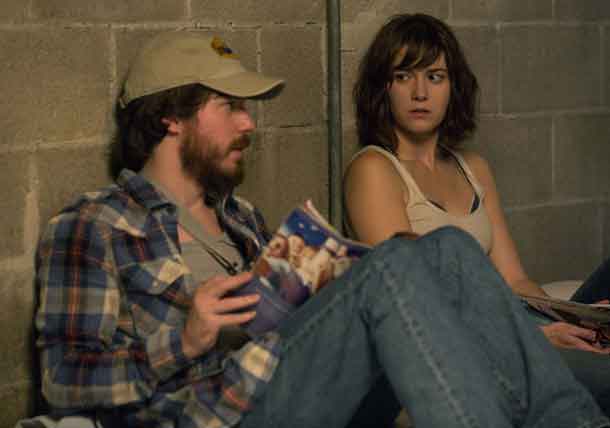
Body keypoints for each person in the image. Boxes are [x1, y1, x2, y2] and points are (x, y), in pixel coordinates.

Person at [34, 30, 610, 428]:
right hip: (219, 413)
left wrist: (328, 283)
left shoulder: (241, 218)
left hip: (295, 384)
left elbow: (288, 328)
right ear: (170, 116)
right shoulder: (94, 224)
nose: (248, 123)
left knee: (450, 249)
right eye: (229, 106)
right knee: (393, 262)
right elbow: (62, 379)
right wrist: (185, 339)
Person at [344, 12, 610, 412]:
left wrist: (572, 322)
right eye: (404, 76)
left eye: (435, 77)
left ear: (453, 87)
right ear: (384, 87)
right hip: (467, 348)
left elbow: (515, 280)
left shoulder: (473, 167)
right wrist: (535, 338)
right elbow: (416, 307)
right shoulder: (374, 168)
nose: (420, 92)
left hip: (517, 323)